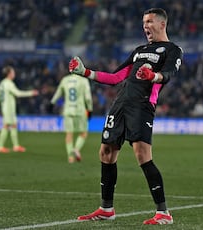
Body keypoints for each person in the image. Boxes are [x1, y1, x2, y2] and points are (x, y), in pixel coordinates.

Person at [69, 8, 182, 225]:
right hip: (121, 104)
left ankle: (163, 213)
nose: (145, 26)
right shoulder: (139, 51)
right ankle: (106, 209)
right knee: (106, 151)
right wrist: (85, 72)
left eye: (149, 21)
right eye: (143, 22)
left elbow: (168, 74)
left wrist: (153, 76)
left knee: (142, 154)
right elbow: (115, 77)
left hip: (142, 105)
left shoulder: (172, 50)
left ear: (162, 24)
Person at [0, 66, 38, 153]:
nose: (14, 74)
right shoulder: (9, 83)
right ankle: (0, 147)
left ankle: (16, 146)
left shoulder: (2, 83)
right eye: (13, 72)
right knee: (6, 125)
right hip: (8, 108)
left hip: (7, 107)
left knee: (14, 125)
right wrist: (31, 93)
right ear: (9, 74)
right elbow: (18, 93)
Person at [50, 73, 93, 163]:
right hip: (80, 110)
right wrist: (90, 109)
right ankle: (76, 149)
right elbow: (88, 98)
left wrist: (52, 102)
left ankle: (70, 158)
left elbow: (58, 92)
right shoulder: (84, 81)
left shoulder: (65, 80)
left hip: (68, 110)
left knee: (69, 134)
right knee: (84, 133)